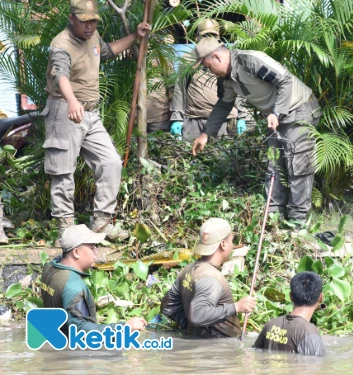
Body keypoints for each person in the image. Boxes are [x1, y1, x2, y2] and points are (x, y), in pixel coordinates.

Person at [43, 0, 150, 244]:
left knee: (111, 162)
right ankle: (65, 231)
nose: (90, 26)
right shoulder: (61, 45)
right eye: (84, 21)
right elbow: (60, 75)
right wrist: (71, 101)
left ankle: (101, 224)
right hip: (65, 110)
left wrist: (135, 35)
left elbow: (107, 51)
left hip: (90, 113)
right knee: (63, 171)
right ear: (72, 19)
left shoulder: (92, 35)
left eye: (93, 21)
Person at [192, 38, 322, 228]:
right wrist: (206, 134)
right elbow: (224, 104)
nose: (208, 71)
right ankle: (273, 217)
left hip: (299, 108)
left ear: (217, 56)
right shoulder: (226, 80)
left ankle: (298, 222)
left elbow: (285, 80)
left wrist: (277, 112)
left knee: (297, 165)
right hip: (276, 117)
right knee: (274, 165)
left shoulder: (250, 61)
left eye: (208, 66)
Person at [41, 224, 147, 335]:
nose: (96, 251)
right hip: (73, 348)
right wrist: (125, 327)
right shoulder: (74, 286)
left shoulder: (49, 267)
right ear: (76, 252)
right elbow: (80, 330)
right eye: (92, 248)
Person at [160, 217, 256, 338]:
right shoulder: (211, 278)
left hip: (199, 344)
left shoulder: (188, 269)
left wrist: (189, 328)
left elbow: (167, 306)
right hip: (219, 350)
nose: (233, 245)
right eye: (232, 241)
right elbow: (197, 315)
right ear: (223, 244)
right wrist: (236, 307)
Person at [170, 19, 244, 141]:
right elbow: (180, 89)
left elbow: (238, 87)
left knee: (222, 156)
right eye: (205, 35)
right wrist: (177, 118)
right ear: (197, 37)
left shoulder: (226, 58)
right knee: (193, 156)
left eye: (212, 35)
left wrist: (243, 115)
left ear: (219, 37)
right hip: (194, 119)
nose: (209, 39)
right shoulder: (188, 59)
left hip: (224, 119)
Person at [253, 271, 325, 357]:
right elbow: (313, 368)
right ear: (321, 297)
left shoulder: (271, 324)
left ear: (291, 296)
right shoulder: (309, 333)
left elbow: (255, 354)